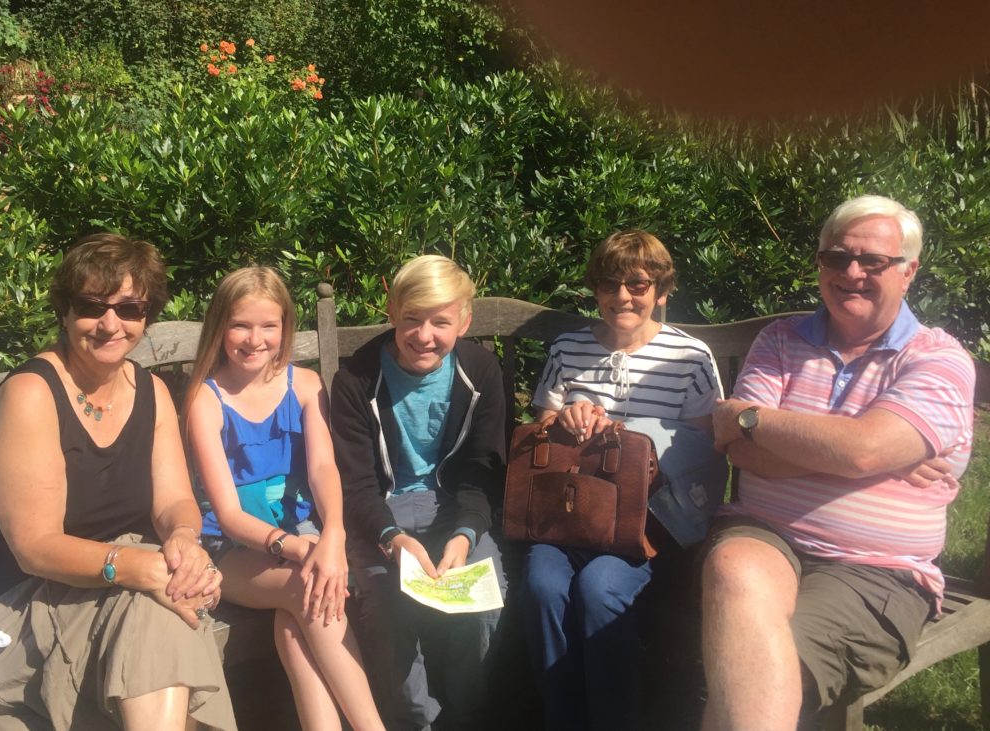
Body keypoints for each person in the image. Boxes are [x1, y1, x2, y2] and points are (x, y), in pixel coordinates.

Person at [703, 195, 976, 731]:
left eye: (872, 260)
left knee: (756, 675)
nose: (851, 272)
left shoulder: (938, 359)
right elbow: (741, 450)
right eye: (836, 257)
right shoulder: (779, 341)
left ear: (908, 272)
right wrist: (870, 459)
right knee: (733, 568)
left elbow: (862, 449)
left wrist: (752, 417)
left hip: (877, 570)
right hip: (765, 535)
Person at [0, 233, 236, 730]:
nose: (111, 324)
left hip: (108, 591)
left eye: (130, 309)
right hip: (14, 608)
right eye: (92, 306)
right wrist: (140, 567)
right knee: (163, 611)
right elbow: (36, 548)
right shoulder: (31, 395)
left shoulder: (150, 391)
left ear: (146, 316)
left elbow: (175, 499)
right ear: (65, 312)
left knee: (160, 606)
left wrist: (181, 541)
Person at [519, 229, 723, 731]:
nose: (623, 296)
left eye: (638, 284)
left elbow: (705, 449)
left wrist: (632, 439)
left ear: (662, 291)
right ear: (595, 289)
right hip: (568, 512)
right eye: (610, 284)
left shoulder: (689, 357)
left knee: (600, 586)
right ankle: (563, 716)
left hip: (645, 519)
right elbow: (538, 434)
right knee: (542, 583)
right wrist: (567, 415)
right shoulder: (569, 347)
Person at [184, 267, 384, 731]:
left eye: (268, 326)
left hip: (308, 537)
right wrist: (301, 549)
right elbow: (229, 515)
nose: (255, 339)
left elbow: (322, 469)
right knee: (307, 589)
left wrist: (332, 536)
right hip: (231, 551)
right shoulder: (205, 399)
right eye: (240, 325)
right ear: (220, 327)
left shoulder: (307, 385)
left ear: (285, 328)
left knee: (294, 629)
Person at [329, 254, 508, 731]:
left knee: (485, 602)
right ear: (392, 313)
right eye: (411, 318)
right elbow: (356, 483)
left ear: (464, 322)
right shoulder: (355, 381)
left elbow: (480, 471)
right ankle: (414, 720)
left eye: (440, 321)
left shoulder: (481, 372)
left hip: (453, 508)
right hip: (381, 516)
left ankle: (466, 714)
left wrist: (466, 534)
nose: (424, 335)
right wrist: (392, 538)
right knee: (386, 607)